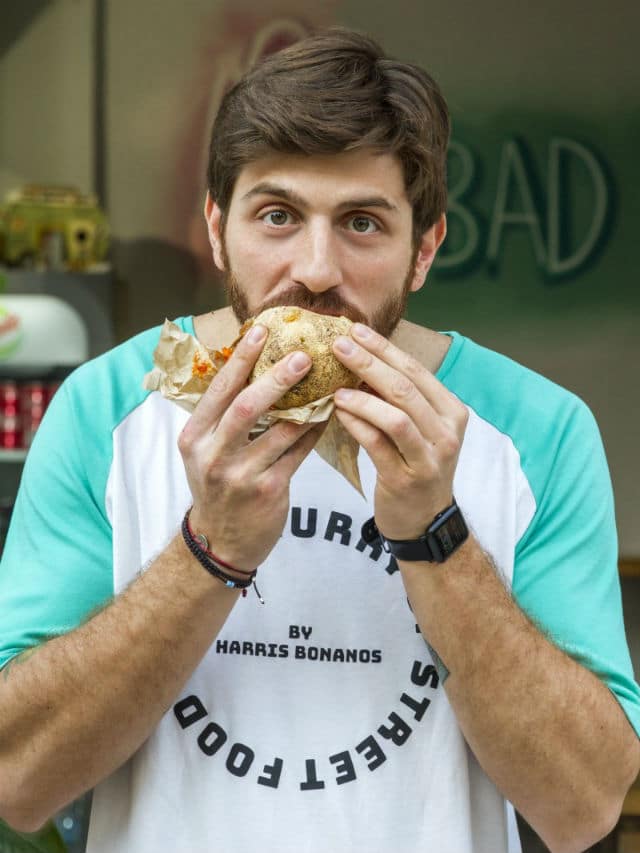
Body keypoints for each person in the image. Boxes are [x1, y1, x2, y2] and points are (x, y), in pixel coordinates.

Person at [0, 27, 638, 853]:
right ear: (216, 226)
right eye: (276, 214)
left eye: (363, 223)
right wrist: (209, 550)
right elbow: (19, 781)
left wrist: (438, 535)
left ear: (425, 250)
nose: (315, 268)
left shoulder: (536, 431)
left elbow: (584, 806)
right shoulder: (109, 409)